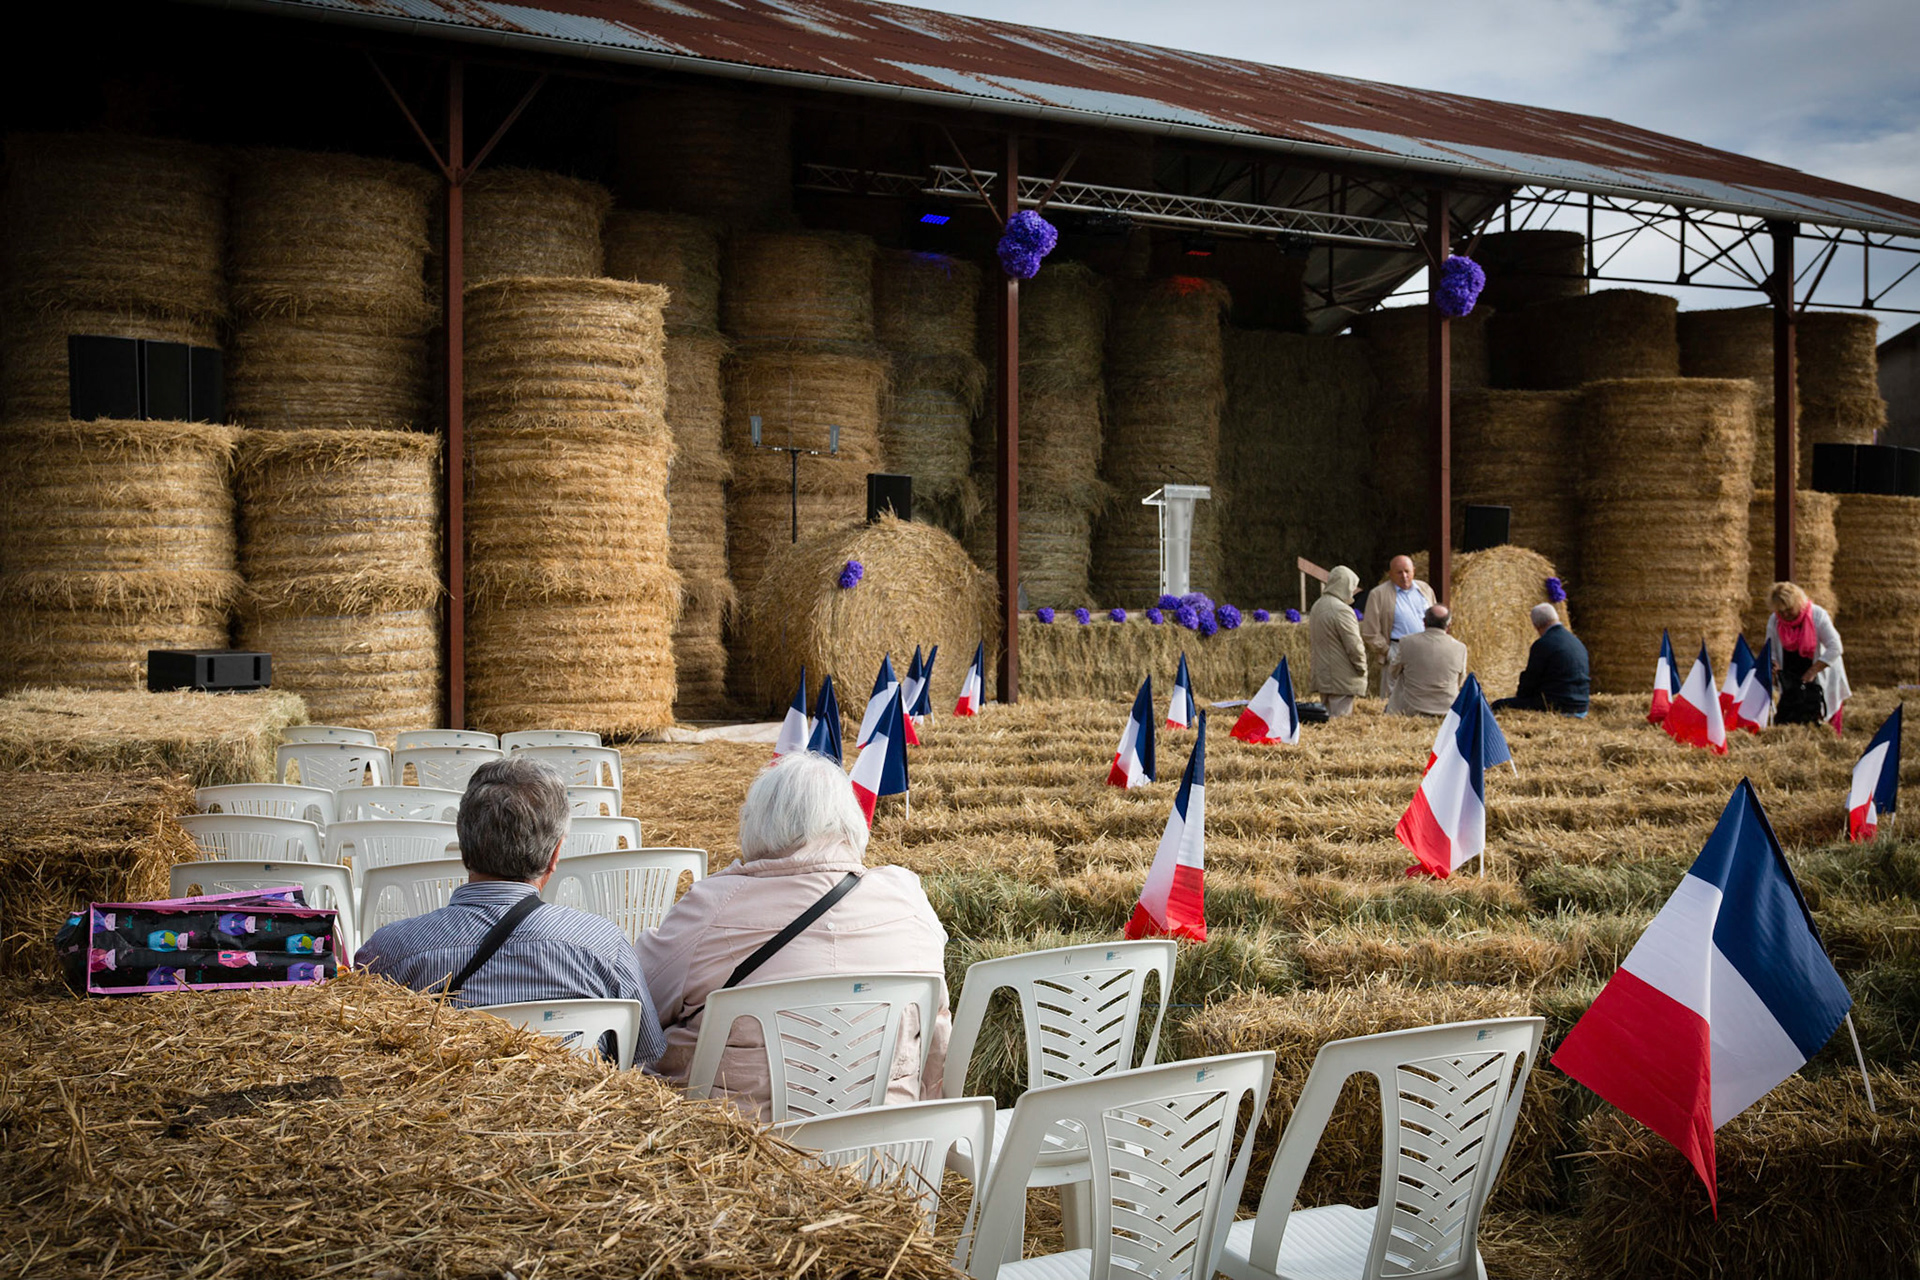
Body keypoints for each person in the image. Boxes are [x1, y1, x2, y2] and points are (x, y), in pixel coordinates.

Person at [637, 751, 950, 1119]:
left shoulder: (711, 908)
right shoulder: (906, 900)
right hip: (883, 1150)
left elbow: (636, 1000)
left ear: (756, 824)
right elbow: (937, 1032)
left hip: (732, 1154)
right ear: (852, 823)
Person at [357, 756, 667, 1068]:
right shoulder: (603, 945)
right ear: (555, 853)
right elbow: (643, 1059)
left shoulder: (388, 952)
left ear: (463, 847)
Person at [1766, 580, 1850, 734]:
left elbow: (1835, 647)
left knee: (1822, 719)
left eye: (1789, 610)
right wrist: (1773, 663)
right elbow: (1770, 648)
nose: (1785, 615)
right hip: (1792, 674)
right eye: (1780, 611)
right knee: (1792, 717)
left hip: (1818, 673)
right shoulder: (1775, 620)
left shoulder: (1818, 616)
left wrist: (1812, 671)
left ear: (1798, 602)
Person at [1493, 603, 1591, 717]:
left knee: (1499, 705)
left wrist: (1519, 698)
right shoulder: (1576, 641)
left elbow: (1530, 681)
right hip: (1581, 706)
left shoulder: (1543, 644)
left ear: (1536, 626)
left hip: (1559, 706)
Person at [1361, 555, 1436, 701]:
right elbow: (1370, 631)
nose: (1404, 576)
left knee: (1423, 690)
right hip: (1397, 648)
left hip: (1424, 647)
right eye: (1399, 572)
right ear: (1390, 574)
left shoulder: (1425, 589)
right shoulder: (1378, 594)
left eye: (1407, 571)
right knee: (1394, 695)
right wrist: (1387, 651)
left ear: (1414, 571)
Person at [1386, 604, 1468, 716]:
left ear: (1424, 622)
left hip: (1411, 710)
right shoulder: (1460, 648)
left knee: (1402, 673)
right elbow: (1460, 680)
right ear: (1449, 625)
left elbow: (1393, 672)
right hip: (1446, 710)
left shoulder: (1407, 642)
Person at [1308, 565, 1368, 717]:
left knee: (1326, 721)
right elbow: (1354, 645)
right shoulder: (1341, 610)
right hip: (1342, 678)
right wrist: (1361, 668)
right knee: (1339, 721)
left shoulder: (1318, 605)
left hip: (1324, 675)